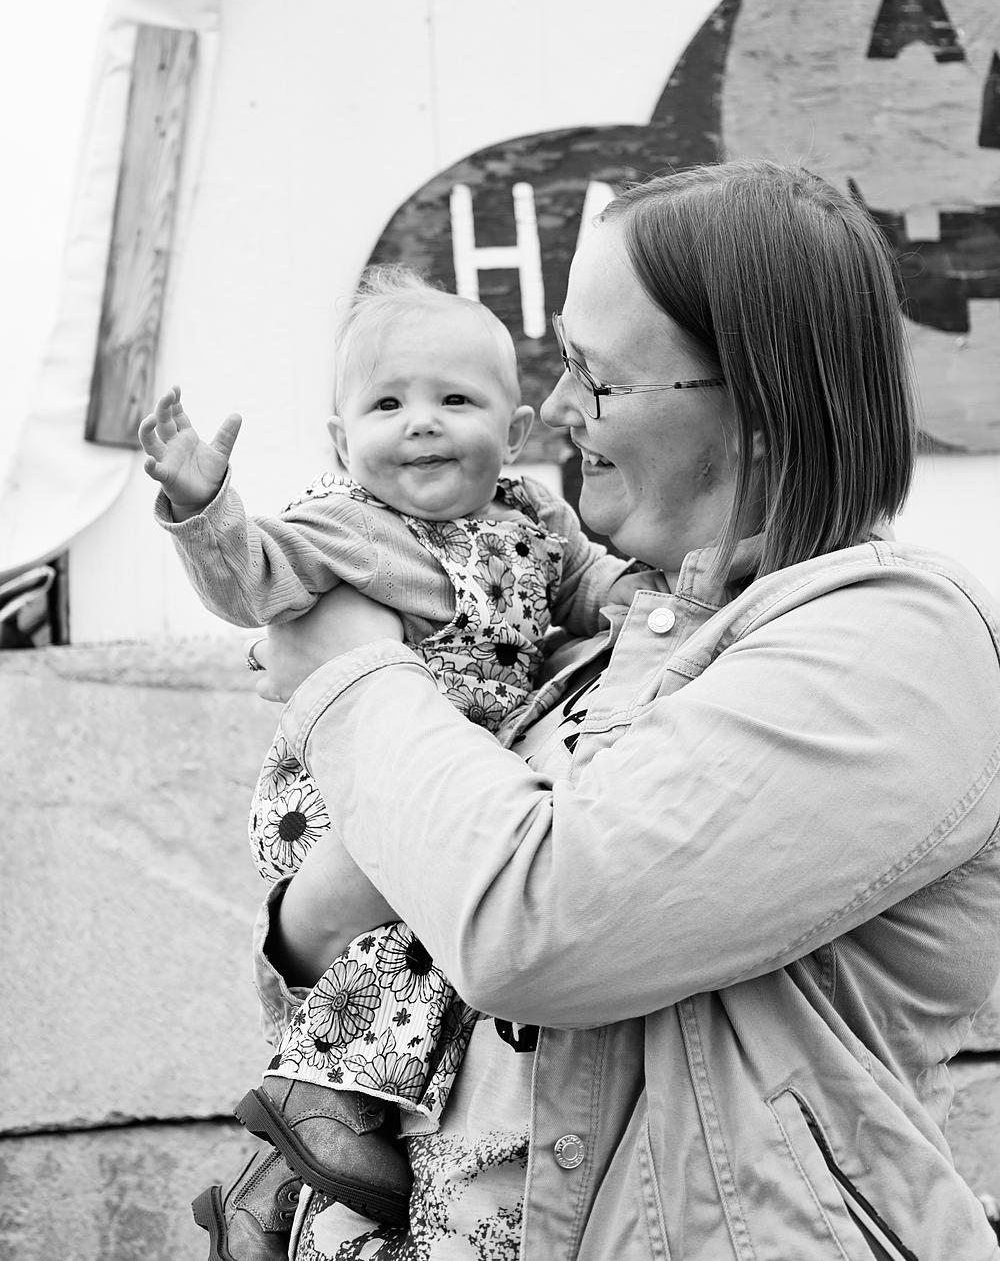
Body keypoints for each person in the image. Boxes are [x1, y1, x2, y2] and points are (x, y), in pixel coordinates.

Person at [240, 160, 1000, 1260]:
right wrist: (311, 923)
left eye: (595, 378)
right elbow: (362, 943)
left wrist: (353, 674)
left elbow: (534, 930)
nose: (552, 411)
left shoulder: (894, 642)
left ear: (758, 407)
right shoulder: (603, 645)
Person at [136, 269, 630, 1253]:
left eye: (455, 400)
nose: (422, 423)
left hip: (453, 777)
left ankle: (287, 1179)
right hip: (348, 784)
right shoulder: (350, 527)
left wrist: (662, 595)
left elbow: (590, 589)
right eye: (388, 404)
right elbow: (254, 578)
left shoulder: (534, 520)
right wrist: (204, 503)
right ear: (340, 440)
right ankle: (317, 1107)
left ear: (515, 429)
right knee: (392, 952)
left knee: (441, 963)